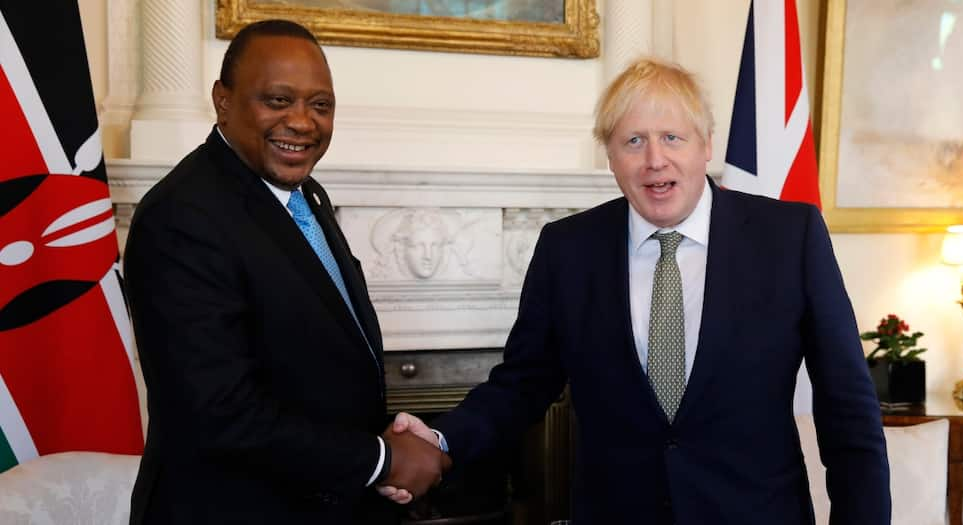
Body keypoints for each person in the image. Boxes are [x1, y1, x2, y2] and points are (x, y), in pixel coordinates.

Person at [386, 58, 891, 523]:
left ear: (706, 144)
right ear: (609, 155)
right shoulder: (568, 249)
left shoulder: (789, 237)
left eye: (673, 137)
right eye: (633, 141)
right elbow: (521, 384)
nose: (654, 160)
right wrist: (441, 436)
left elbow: (847, 406)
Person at [123, 19, 448, 524]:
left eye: (320, 105)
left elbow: (315, 366)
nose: (302, 122)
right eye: (277, 100)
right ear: (223, 101)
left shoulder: (303, 195)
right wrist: (380, 461)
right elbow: (219, 412)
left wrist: (385, 442)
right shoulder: (183, 216)